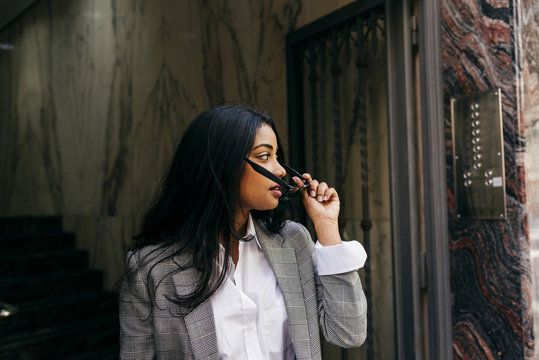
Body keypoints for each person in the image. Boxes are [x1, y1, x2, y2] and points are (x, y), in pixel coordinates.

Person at [119, 104, 368, 359]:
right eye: (264, 156)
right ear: (222, 164)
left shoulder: (292, 242)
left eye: (277, 157)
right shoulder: (152, 270)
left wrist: (327, 228)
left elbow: (347, 333)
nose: (281, 170)